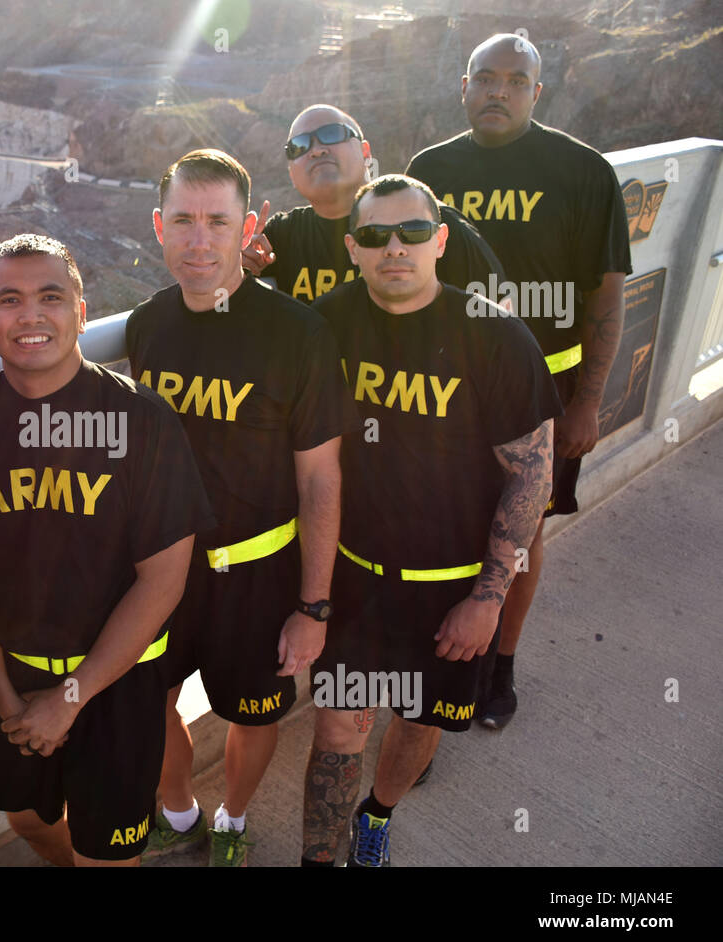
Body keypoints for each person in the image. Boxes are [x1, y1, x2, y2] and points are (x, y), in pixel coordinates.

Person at [307, 174, 560, 866]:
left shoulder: (495, 336)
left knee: (419, 721)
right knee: (338, 731)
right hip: (355, 580)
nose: (395, 248)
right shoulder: (327, 323)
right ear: (353, 248)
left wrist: (488, 598)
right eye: (375, 236)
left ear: (440, 240)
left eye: (412, 232)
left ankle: (379, 817)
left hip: (450, 586)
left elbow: (531, 476)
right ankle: (318, 860)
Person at [0, 234, 212, 866]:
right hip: (8, 673)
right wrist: (4, 692)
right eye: (9, 300)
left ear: (81, 309)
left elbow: (162, 583)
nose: (31, 315)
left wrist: (70, 697)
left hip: (117, 683)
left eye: (51, 296)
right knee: (25, 816)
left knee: (110, 853)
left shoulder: (143, 421)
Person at [127, 149, 353, 867]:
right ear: (159, 227)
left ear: (247, 227)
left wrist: (313, 608)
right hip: (161, 573)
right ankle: (179, 810)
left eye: (217, 222)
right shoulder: (147, 325)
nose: (199, 240)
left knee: (252, 715)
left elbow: (321, 479)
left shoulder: (296, 334)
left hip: (257, 576)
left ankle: (231, 819)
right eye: (184, 221)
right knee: (152, 702)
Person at [407, 34, 632, 729]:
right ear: (464, 86)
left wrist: (589, 399)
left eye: (515, 80)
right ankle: (434, 664)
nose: (498, 91)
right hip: (446, 393)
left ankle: (500, 665)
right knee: (439, 526)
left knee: (520, 535)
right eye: (485, 78)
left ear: (537, 92)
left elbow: (607, 294)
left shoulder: (584, 172)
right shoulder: (429, 168)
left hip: (546, 394)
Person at [242, 104, 505, 306]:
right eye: (299, 146)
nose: (316, 150)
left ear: (366, 153)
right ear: (291, 172)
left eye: (331, 135)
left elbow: (499, 325)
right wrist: (238, 271)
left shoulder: (428, 225)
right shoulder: (277, 241)